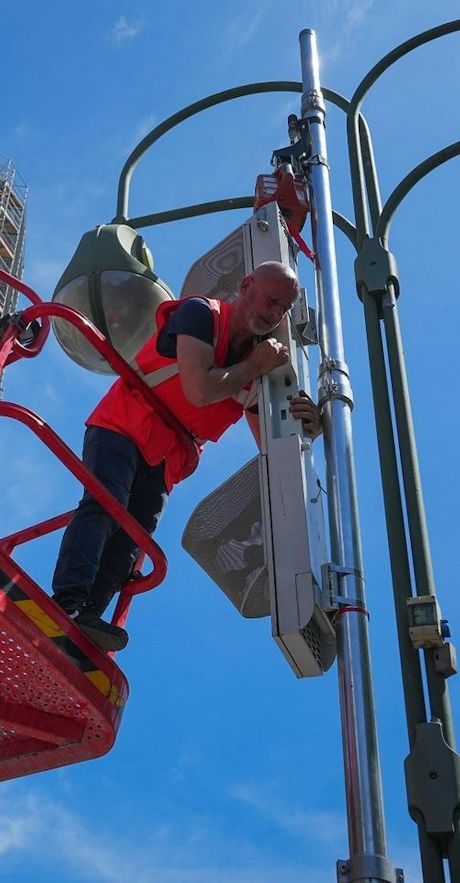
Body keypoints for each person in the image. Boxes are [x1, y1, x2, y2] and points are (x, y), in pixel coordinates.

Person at [50, 259, 320, 652]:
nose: (274, 313)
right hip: (126, 423)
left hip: (167, 456)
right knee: (107, 506)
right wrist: (254, 365)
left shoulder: (259, 367)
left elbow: (273, 445)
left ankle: (87, 623)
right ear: (246, 286)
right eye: (271, 300)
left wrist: (309, 426)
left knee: (132, 539)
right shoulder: (202, 314)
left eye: (283, 308)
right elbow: (200, 390)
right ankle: (68, 604)